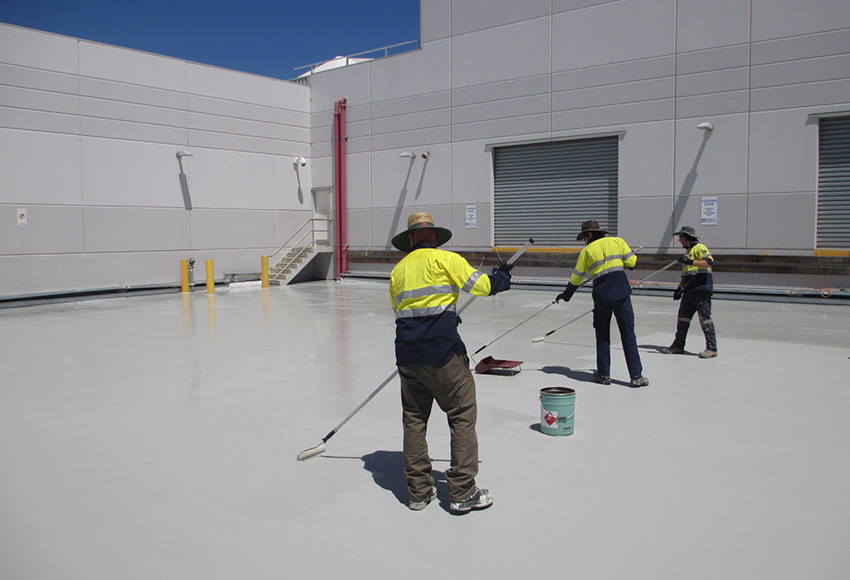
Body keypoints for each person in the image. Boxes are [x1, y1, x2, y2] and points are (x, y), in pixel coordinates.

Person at [389, 212, 512, 513]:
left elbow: (404, 311)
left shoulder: (398, 271)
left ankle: (419, 492)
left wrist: (446, 313)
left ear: (411, 239)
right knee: (461, 414)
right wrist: (501, 278)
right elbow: (482, 286)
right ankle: (462, 491)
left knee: (414, 420)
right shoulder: (446, 260)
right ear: (434, 237)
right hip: (443, 355)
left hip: (408, 357)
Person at [555, 220, 649, 388]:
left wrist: (566, 295)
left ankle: (604, 374)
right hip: (621, 294)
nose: (584, 241)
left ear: (589, 235)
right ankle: (636, 376)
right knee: (628, 335)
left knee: (603, 335)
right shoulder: (618, 242)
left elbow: (577, 277)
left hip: (602, 297)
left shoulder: (587, 251)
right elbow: (632, 263)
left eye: (584, 237)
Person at [661, 226, 717, 358]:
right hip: (689, 290)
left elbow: (708, 263)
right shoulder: (688, 253)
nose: (679, 240)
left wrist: (691, 261)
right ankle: (678, 345)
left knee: (705, 319)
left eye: (680, 237)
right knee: (683, 319)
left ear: (686, 237)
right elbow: (686, 274)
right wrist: (679, 288)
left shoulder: (700, 248)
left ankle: (712, 348)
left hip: (701, 289)